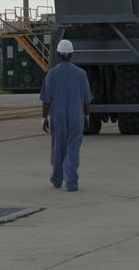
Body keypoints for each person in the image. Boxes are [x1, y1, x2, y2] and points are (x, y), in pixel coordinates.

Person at [40, 38, 93, 191]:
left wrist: (44, 118)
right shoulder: (81, 74)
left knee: (58, 147)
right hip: (76, 115)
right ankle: (71, 182)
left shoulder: (51, 74)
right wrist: (86, 116)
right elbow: (86, 100)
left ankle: (57, 180)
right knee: (73, 147)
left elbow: (46, 100)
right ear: (71, 55)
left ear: (58, 54)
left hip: (58, 115)